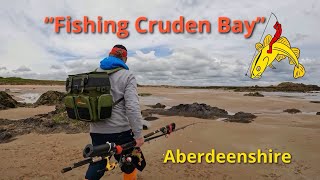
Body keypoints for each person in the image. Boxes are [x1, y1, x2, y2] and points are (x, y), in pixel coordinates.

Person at [85, 44, 144, 180]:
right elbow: (132, 107)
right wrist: (138, 134)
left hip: (96, 130)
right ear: (125, 58)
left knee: (97, 163)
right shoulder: (127, 75)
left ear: (110, 54)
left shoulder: (94, 72)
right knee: (130, 162)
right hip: (120, 132)